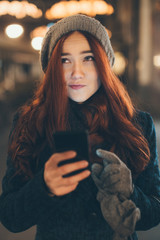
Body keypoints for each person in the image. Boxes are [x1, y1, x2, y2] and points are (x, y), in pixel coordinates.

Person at [0, 14, 160, 240]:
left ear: (104, 63)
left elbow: (154, 212)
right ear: (52, 68)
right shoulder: (30, 122)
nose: (77, 72)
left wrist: (130, 192)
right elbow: (10, 217)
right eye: (65, 60)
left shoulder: (137, 124)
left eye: (88, 58)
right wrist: (43, 187)